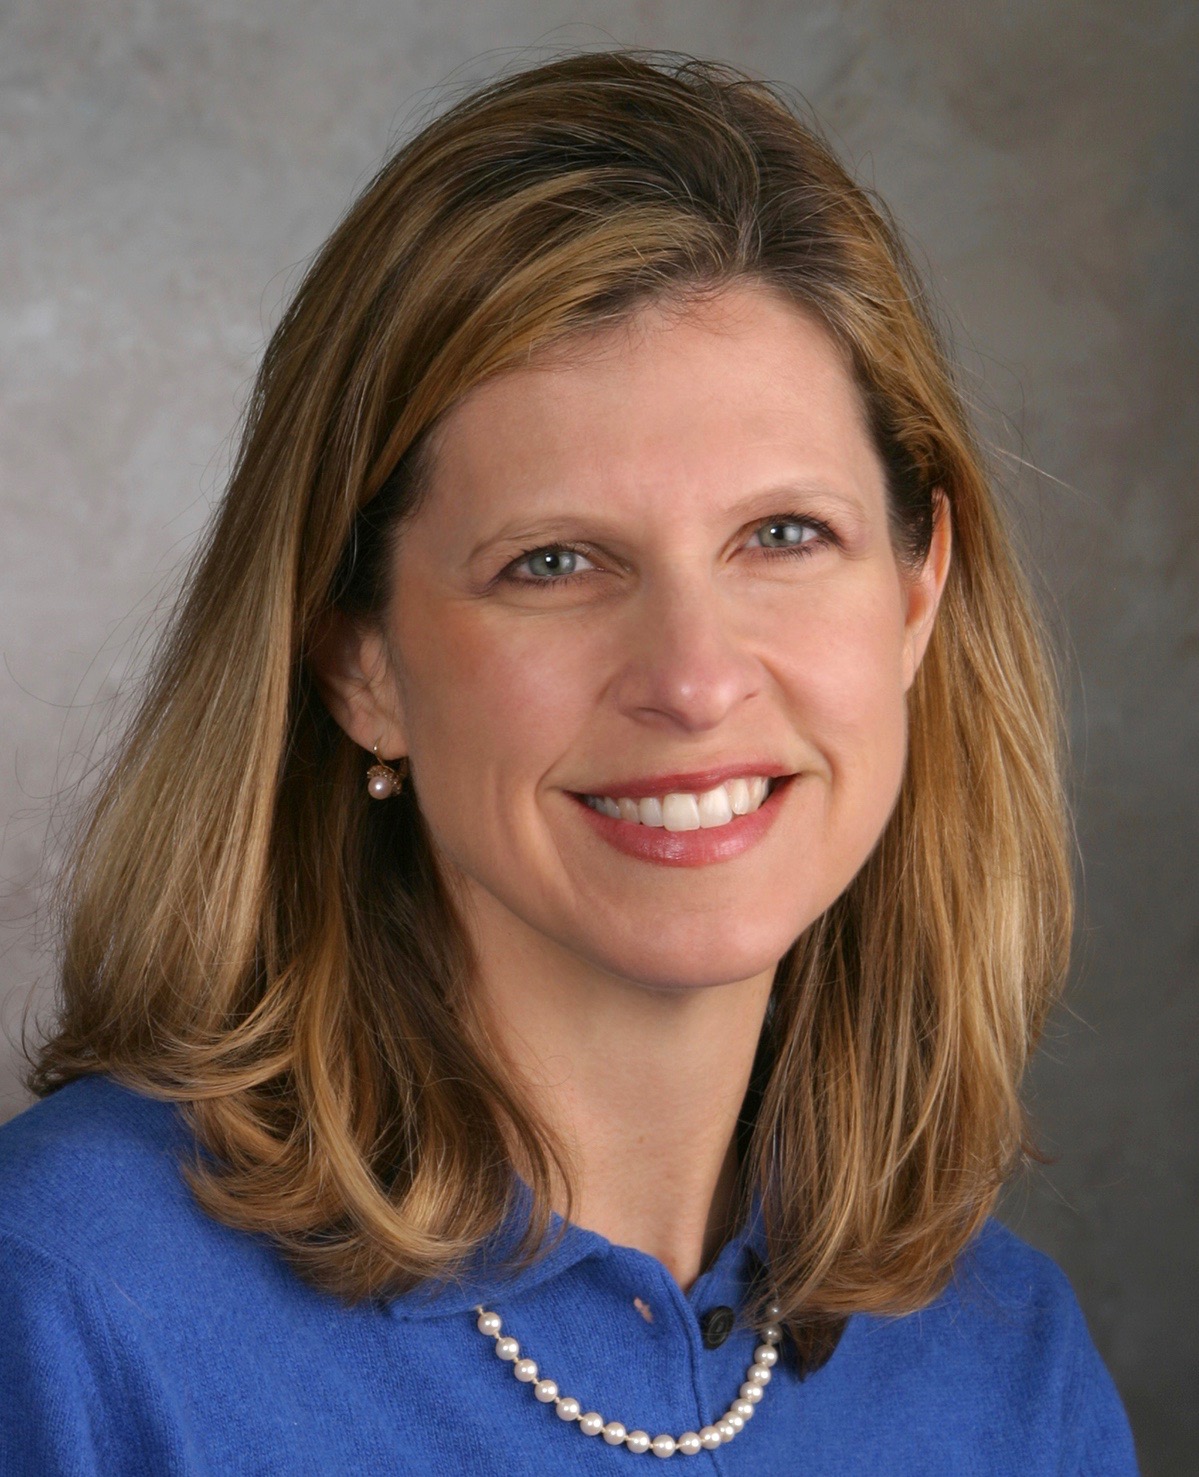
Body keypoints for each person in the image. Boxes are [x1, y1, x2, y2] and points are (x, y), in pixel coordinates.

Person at [0, 49, 1138, 1474]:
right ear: (359, 661)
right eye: (553, 562)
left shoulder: (1005, 1369)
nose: (695, 676)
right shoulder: (66, 1305)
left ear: (917, 597)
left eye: (783, 535)